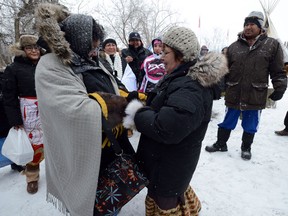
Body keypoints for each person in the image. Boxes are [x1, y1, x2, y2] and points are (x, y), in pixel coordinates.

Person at [35, 3, 135, 216]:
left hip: (109, 146)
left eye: (97, 46)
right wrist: (123, 106)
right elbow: (74, 109)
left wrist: (130, 96)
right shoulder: (51, 64)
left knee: (108, 198)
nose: (95, 50)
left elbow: (112, 85)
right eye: (93, 44)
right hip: (82, 151)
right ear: (78, 39)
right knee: (89, 203)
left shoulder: (88, 59)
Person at [123, 26, 228, 216]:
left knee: (166, 203)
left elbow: (166, 128)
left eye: (166, 52)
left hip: (169, 168)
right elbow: (166, 104)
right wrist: (144, 99)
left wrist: (137, 112)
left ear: (182, 54)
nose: (161, 56)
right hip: (166, 163)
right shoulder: (180, 77)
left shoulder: (190, 88)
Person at [205, 11, 287, 160]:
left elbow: (277, 70)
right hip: (234, 92)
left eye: (252, 24)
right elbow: (224, 70)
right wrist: (218, 88)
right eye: (246, 24)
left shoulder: (272, 45)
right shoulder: (233, 47)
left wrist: (280, 87)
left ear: (261, 27)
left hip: (255, 94)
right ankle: (221, 143)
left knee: (250, 124)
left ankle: (246, 148)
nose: (248, 27)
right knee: (227, 121)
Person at [2, 35, 44, 193]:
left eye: (36, 47)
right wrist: (15, 119)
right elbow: (9, 96)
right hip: (28, 111)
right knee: (33, 145)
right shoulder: (14, 68)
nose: (34, 50)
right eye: (29, 48)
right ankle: (32, 177)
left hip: (49, 108)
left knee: (53, 143)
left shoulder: (46, 64)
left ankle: (58, 175)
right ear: (23, 50)